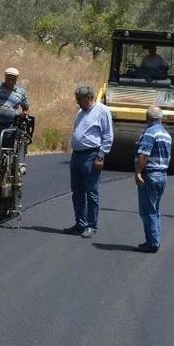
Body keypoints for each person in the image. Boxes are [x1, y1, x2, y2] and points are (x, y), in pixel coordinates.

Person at [63, 86, 114, 239]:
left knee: (91, 192)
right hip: (77, 156)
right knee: (77, 191)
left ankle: (91, 226)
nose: (78, 102)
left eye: (80, 99)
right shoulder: (80, 111)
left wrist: (101, 156)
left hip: (91, 155)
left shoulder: (102, 111)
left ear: (89, 97)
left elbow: (108, 136)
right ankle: (80, 224)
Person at [134, 106, 172, 253]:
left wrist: (138, 172)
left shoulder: (150, 133)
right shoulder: (166, 134)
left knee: (147, 210)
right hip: (162, 175)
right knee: (155, 209)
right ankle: (153, 240)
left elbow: (144, 155)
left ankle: (152, 243)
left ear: (147, 118)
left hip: (150, 174)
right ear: (160, 118)